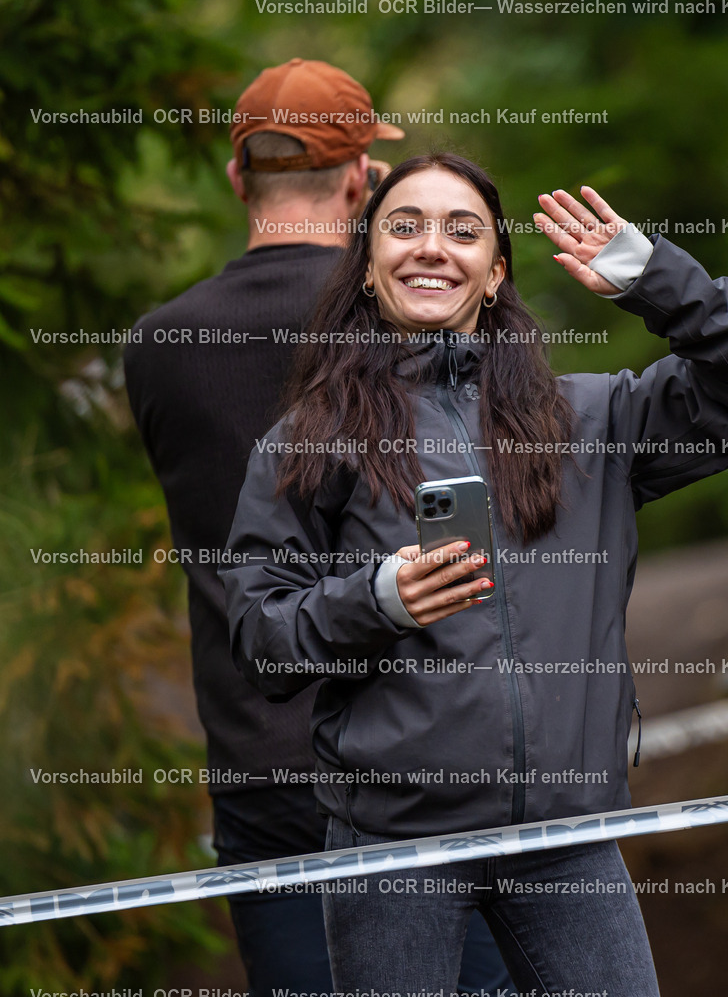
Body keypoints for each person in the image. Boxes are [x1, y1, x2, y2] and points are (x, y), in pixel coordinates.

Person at [221, 152, 728, 993]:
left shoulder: (591, 421)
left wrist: (654, 277)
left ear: (494, 274)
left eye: (463, 231)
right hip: (395, 849)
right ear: (368, 267)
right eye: (405, 226)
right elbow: (258, 638)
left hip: (566, 844)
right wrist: (376, 600)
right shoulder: (309, 441)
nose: (432, 246)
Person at [124, 65, 513, 996]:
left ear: (236, 181)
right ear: (361, 183)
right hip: (427, 761)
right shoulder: (420, 314)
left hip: (261, 771)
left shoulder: (159, 345)